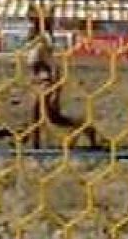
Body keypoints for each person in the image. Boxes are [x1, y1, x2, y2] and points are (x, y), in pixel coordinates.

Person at [25, 13, 101, 149]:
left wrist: (55, 89)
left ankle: (35, 146)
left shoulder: (43, 41)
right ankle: (85, 128)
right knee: (52, 117)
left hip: (45, 83)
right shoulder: (35, 40)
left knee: (38, 115)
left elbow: (53, 65)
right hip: (38, 81)